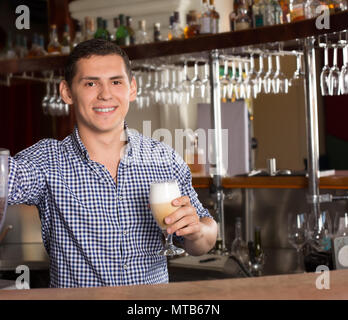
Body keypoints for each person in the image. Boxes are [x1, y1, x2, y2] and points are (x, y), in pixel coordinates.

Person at [8, 39, 217, 288]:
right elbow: (6, 181)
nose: (105, 94)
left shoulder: (164, 158)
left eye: (116, 82)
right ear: (66, 92)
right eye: (90, 83)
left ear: (132, 89)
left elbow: (204, 238)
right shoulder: (47, 161)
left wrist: (197, 232)